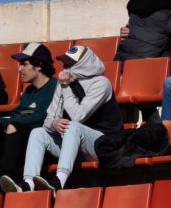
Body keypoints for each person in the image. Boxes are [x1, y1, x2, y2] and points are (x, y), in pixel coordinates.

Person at [22, 44, 120, 189]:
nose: (66, 68)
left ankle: (59, 181)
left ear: (84, 64)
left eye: (70, 64)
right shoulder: (63, 84)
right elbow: (48, 120)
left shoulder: (101, 83)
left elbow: (78, 117)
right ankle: (28, 183)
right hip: (76, 146)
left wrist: (66, 87)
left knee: (72, 126)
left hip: (104, 144)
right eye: (65, 64)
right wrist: (54, 123)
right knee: (38, 133)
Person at [0, 44, 57, 193]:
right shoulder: (29, 91)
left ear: (39, 65)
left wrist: (0, 121)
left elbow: (41, 118)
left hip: (43, 147)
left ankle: (5, 178)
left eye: (24, 64)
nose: (19, 69)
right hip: (21, 142)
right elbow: (17, 115)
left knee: (13, 126)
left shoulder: (55, 87)